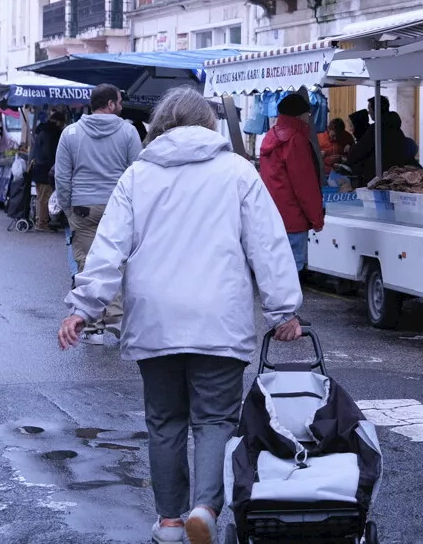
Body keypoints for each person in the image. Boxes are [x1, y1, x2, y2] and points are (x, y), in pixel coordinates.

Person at [57, 88, 303, 544]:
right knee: (214, 420)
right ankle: (205, 509)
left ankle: (170, 522)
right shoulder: (237, 172)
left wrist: (83, 307)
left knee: (165, 421)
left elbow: (108, 248)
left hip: (156, 318)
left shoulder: (138, 175)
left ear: (158, 127)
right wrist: (282, 310)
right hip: (218, 315)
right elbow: (267, 245)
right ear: (208, 123)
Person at [55, 84, 142, 343]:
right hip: (118, 206)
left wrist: (68, 208)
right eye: (119, 101)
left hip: (83, 207)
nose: (122, 106)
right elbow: (137, 173)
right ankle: (114, 316)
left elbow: (62, 176)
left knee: (86, 262)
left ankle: (92, 326)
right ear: (111, 104)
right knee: (116, 260)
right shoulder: (128, 132)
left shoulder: (70, 133)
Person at [260, 93, 325, 275]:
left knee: (276, 273)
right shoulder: (296, 139)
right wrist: (316, 219)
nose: (309, 118)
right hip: (293, 219)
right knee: (292, 275)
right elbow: (305, 185)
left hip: (272, 217)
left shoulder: (269, 137)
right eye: (308, 114)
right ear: (300, 116)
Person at [31, 111, 66, 230]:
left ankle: (40, 221)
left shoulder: (42, 131)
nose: (63, 126)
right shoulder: (50, 133)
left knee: (40, 197)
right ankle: (42, 223)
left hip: (38, 169)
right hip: (45, 170)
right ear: (58, 121)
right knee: (44, 198)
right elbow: (49, 153)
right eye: (62, 123)